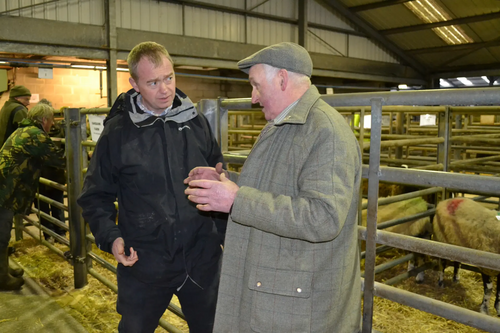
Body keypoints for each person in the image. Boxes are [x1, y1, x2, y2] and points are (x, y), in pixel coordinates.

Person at [184, 42, 362, 332]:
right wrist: (227, 183)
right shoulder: (284, 124)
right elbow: (277, 187)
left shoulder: (326, 132)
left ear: (282, 79)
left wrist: (236, 200)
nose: (253, 98)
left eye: (256, 86)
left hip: (300, 306)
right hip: (277, 293)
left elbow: (324, 216)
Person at [77, 41, 226, 333]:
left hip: (201, 258)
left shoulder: (195, 122)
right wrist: (111, 237)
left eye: (169, 78)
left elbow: (218, 179)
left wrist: (224, 237)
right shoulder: (118, 133)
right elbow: (95, 196)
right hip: (145, 261)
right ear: (134, 83)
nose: (165, 89)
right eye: (153, 82)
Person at [0, 103, 65, 291]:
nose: (51, 125)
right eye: (51, 121)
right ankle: (2, 278)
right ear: (44, 120)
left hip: (6, 189)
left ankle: (3, 270)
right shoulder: (35, 135)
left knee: (3, 232)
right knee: (2, 235)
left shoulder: (24, 130)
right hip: (4, 191)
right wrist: (88, 155)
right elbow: (59, 159)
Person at [33, 99, 67, 244]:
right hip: (49, 173)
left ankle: (56, 233)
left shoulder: (58, 130)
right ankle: (53, 233)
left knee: (52, 204)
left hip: (49, 173)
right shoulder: (38, 132)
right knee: (48, 204)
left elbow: (65, 150)